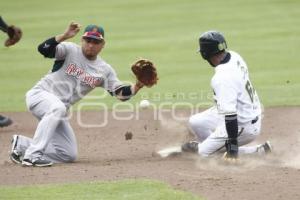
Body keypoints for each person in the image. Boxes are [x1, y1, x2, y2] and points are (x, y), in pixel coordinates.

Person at [10, 22, 145, 167]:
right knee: (58, 108)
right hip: (40, 95)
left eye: (96, 42)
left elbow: (120, 94)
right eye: (88, 40)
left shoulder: (104, 70)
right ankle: (32, 156)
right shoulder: (69, 50)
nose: (91, 45)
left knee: (68, 154)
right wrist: (64, 36)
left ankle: (22, 144)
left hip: (57, 110)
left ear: (103, 44)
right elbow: (43, 49)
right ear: (82, 40)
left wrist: (137, 86)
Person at [181, 31, 271, 161]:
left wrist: (232, 148)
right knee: (196, 122)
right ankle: (214, 145)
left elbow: (230, 115)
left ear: (205, 54)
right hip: (245, 110)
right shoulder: (234, 56)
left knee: (202, 155)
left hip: (243, 124)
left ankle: (257, 151)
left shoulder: (222, 78)